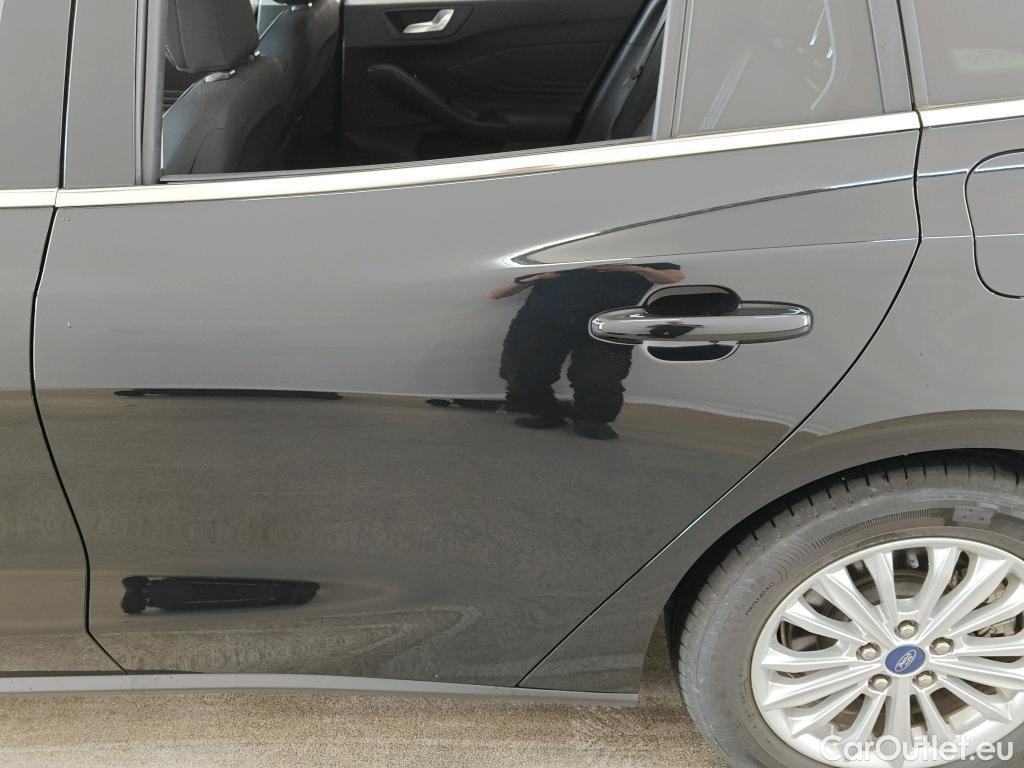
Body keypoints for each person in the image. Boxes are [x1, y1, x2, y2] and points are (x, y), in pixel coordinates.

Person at [489, 262, 683, 440]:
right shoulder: (554, 256)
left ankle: (592, 421)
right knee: (525, 366)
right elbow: (496, 294)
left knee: (600, 374)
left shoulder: (635, 253)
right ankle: (544, 411)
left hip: (607, 320)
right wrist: (531, 279)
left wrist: (636, 269)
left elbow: (674, 277)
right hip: (545, 318)